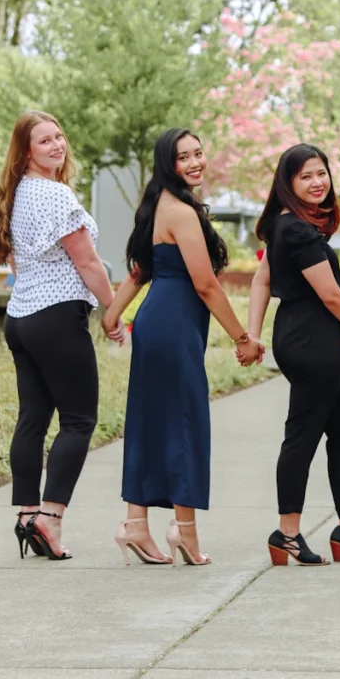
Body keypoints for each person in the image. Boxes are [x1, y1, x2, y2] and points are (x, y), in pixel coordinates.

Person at [102, 128, 263, 567]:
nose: (194, 162)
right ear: (167, 163)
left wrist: (112, 314)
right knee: (186, 423)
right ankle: (185, 532)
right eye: (183, 157)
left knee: (150, 421)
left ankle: (136, 524)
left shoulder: (158, 205)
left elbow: (139, 271)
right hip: (173, 327)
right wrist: (243, 338)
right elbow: (206, 285)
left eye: (198, 153)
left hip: (156, 324)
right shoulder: (181, 212)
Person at [0, 110, 124, 561]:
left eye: (60, 137)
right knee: (80, 420)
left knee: (33, 417)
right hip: (56, 316)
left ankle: (27, 514)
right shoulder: (54, 194)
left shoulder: (18, 193)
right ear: (27, 151)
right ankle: (50, 518)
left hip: (21, 319)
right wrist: (114, 310)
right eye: (45, 141)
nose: (57, 145)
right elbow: (87, 263)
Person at [248, 143, 340, 567]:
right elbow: (331, 295)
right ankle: (287, 533)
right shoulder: (298, 232)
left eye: (321, 173)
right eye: (305, 176)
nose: (316, 182)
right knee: (303, 437)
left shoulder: (282, 226)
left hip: (299, 338)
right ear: (288, 184)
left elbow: (260, 282)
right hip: (311, 343)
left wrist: (253, 336)